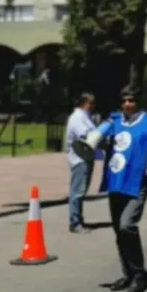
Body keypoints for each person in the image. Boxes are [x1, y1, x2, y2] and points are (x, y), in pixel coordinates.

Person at [96, 86, 147, 292]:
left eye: (131, 100)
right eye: (124, 100)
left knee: (127, 225)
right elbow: (99, 144)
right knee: (118, 229)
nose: (127, 104)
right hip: (115, 180)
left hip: (138, 181)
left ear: (138, 102)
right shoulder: (114, 122)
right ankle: (127, 273)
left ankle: (139, 274)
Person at [64, 93, 96, 233]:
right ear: (83, 103)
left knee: (81, 191)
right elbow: (86, 135)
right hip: (79, 159)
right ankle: (75, 222)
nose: (92, 106)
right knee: (77, 191)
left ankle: (78, 219)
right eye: (91, 103)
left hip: (86, 157)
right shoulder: (77, 118)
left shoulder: (85, 117)